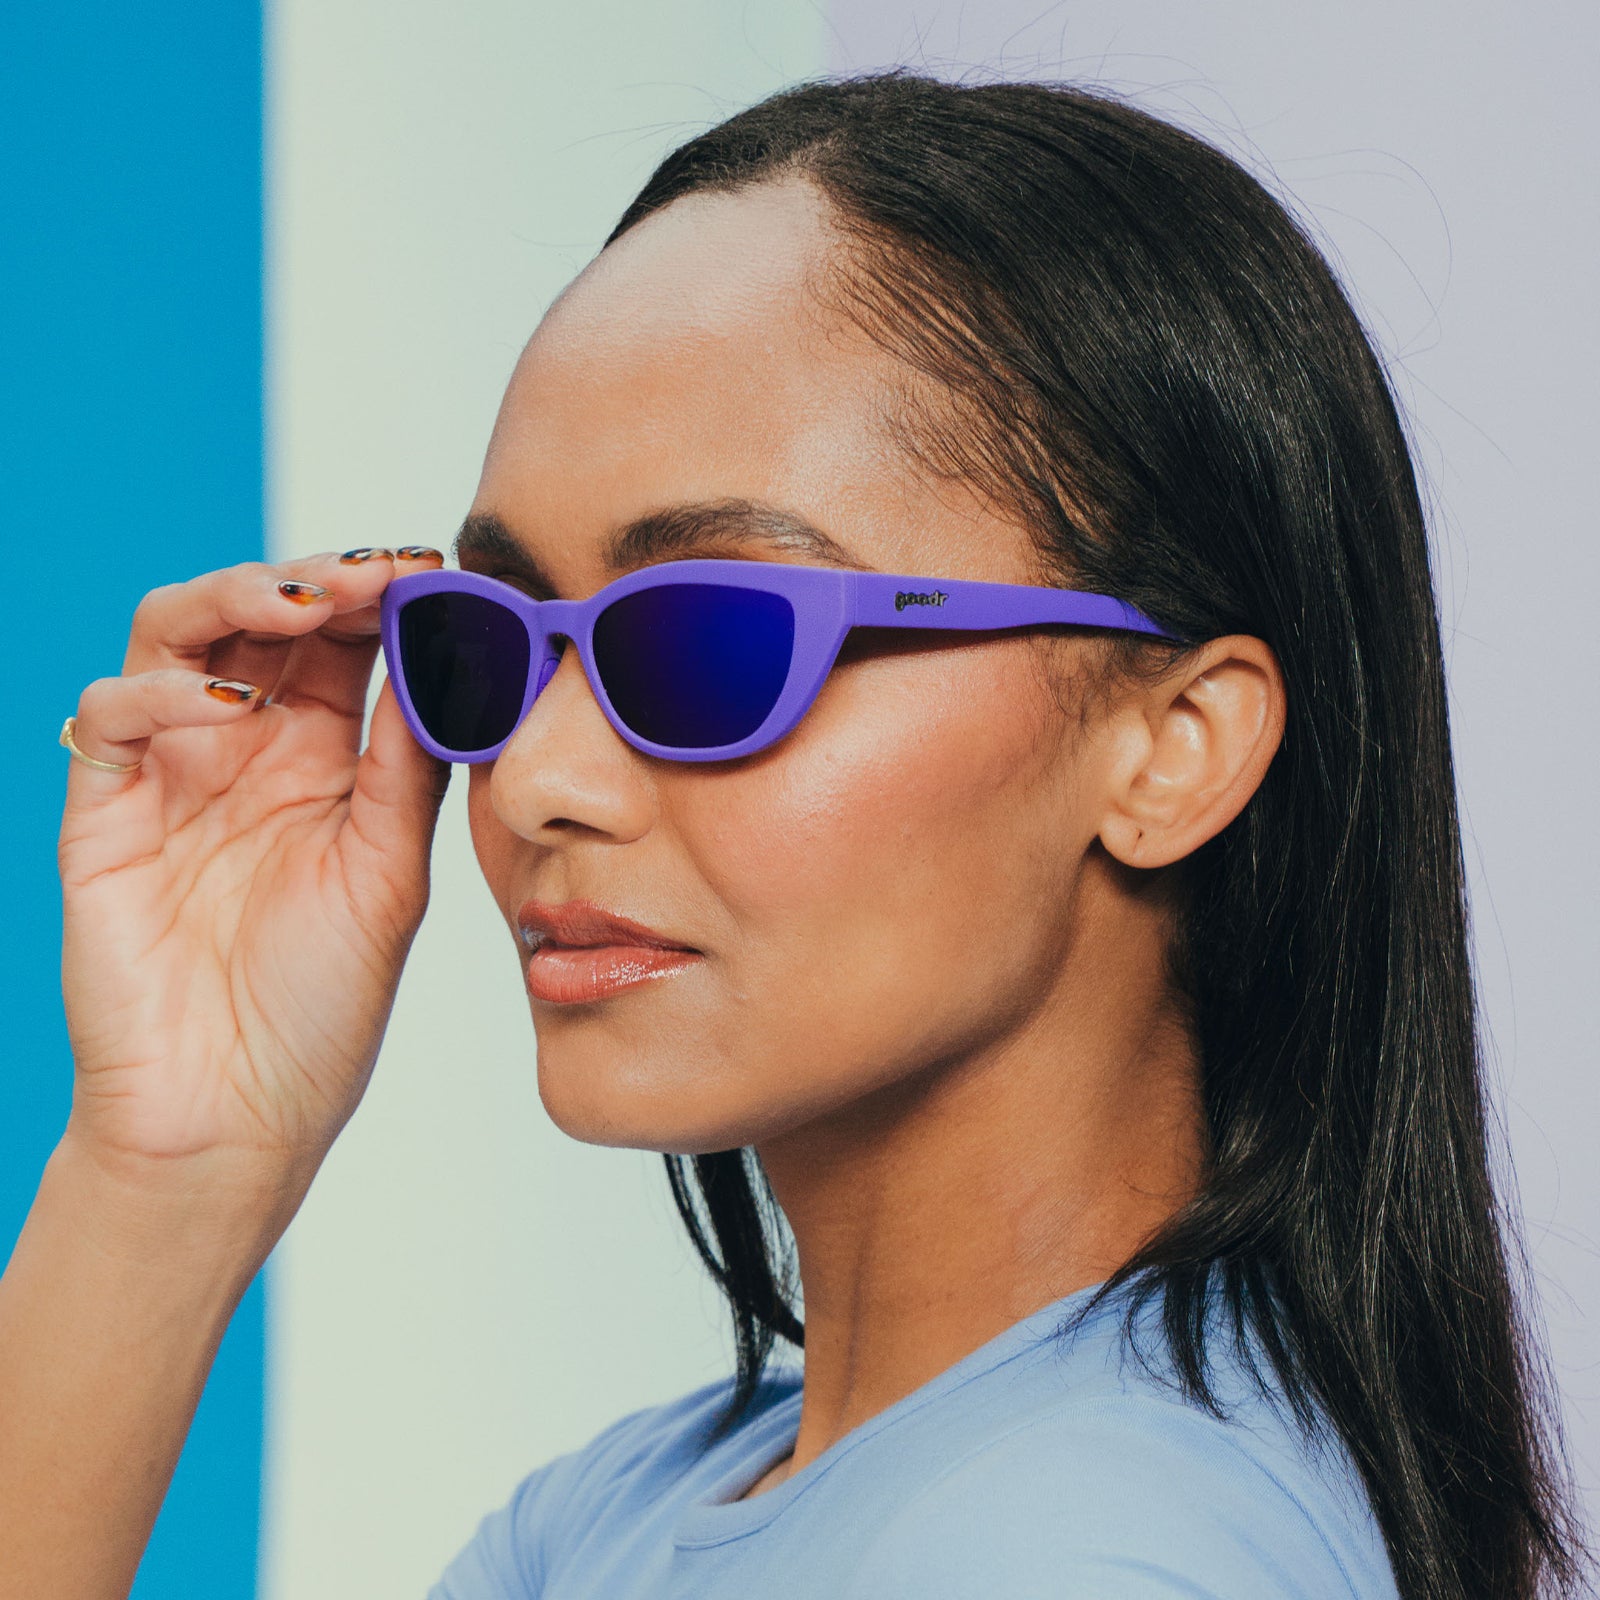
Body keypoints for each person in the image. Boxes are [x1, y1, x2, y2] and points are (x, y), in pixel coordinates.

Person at [1, 71, 1589, 1600]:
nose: (540, 779)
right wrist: (172, 1170)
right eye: (487, 644)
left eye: (708, 640)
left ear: (1173, 746)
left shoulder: (1083, 1558)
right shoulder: (639, 1514)